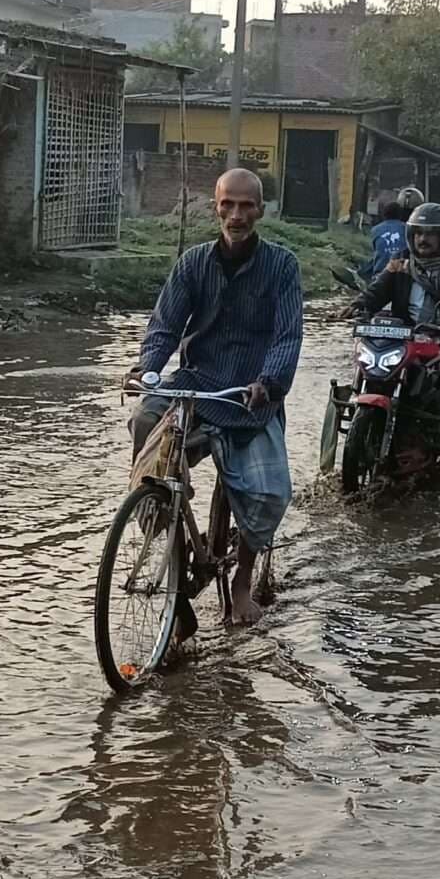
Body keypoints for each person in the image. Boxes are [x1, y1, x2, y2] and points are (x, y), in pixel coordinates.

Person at [130, 168, 304, 626]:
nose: (236, 215)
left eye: (247, 206)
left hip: (251, 395)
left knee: (266, 493)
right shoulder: (192, 263)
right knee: (146, 421)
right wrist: (147, 367)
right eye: (228, 204)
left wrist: (268, 381)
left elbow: (288, 337)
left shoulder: (282, 266)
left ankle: (242, 584)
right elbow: (164, 326)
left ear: (260, 211)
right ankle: (167, 538)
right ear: (216, 208)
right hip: (197, 382)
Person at [357, 201, 440, 420]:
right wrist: (357, 305)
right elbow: (379, 289)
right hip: (404, 334)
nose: (422, 239)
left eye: (430, 234)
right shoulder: (401, 260)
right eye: (418, 233)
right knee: (369, 364)